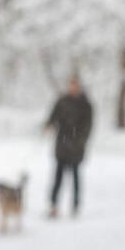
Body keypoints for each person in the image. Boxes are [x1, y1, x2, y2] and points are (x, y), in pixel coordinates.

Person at [45, 76, 93, 218]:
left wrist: (78, 141)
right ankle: (53, 205)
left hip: (76, 148)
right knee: (58, 177)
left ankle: (75, 206)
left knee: (75, 177)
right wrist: (49, 125)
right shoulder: (62, 101)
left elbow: (88, 127)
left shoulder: (85, 104)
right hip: (61, 146)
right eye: (71, 85)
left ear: (79, 86)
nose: (73, 88)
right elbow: (53, 116)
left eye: (75, 85)